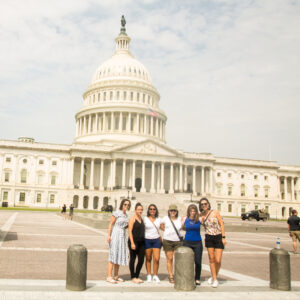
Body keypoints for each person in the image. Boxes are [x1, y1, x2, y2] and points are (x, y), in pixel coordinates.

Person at [199, 198, 226, 288]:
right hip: (209, 237)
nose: (204, 205)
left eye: (205, 204)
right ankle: (215, 279)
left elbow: (221, 223)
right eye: (202, 204)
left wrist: (223, 237)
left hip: (218, 236)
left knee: (218, 260)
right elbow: (192, 218)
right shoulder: (201, 215)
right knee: (211, 259)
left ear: (208, 204)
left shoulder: (215, 212)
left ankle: (214, 275)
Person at [106, 199, 131, 284]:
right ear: (122, 204)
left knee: (119, 255)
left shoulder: (126, 215)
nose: (126, 206)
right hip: (116, 234)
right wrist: (109, 235)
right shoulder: (117, 213)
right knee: (113, 254)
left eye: (128, 205)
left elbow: (126, 226)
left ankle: (116, 275)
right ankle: (109, 276)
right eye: (125, 204)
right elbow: (111, 224)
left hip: (122, 235)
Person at [161, 204, 183, 283]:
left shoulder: (180, 219)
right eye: (171, 211)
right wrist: (167, 232)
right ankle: (171, 275)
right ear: (169, 212)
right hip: (168, 240)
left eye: (174, 211)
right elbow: (161, 225)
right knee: (169, 259)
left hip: (177, 241)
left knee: (178, 259)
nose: (173, 212)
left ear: (177, 212)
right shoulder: (165, 218)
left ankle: (178, 274)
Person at [181, 204, 203, 286]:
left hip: (197, 242)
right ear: (188, 211)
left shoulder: (200, 219)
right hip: (187, 241)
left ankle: (197, 278)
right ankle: (187, 277)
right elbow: (182, 227)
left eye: (194, 211)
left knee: (198, 261)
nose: (192, 212)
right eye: (191, 211)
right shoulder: (184, 218)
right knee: (187, 261)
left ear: (196, 211)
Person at [144, 204, 162, 283]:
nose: (152, 210)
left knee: (157, 259)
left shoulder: (159, 219)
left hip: (156, 240)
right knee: (148, 258)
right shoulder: (145, 219)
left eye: (154, 209)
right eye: (150, 209)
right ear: (148, 210)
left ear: (156, 210)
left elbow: (164, 227)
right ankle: (148, 275)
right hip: (147, 239)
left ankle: (155, 275)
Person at [128, 202, 145, 283]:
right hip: (133, 241)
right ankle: (133, 276)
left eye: (141, 210)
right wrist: (132, 243)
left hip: (141, 242)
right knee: (133, 259)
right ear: (135, 210)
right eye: (138, 209)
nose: (140, 211)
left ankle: (137, 275)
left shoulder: (142, 219)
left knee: (141, 259)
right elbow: (130, 231)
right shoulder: (132, 219)